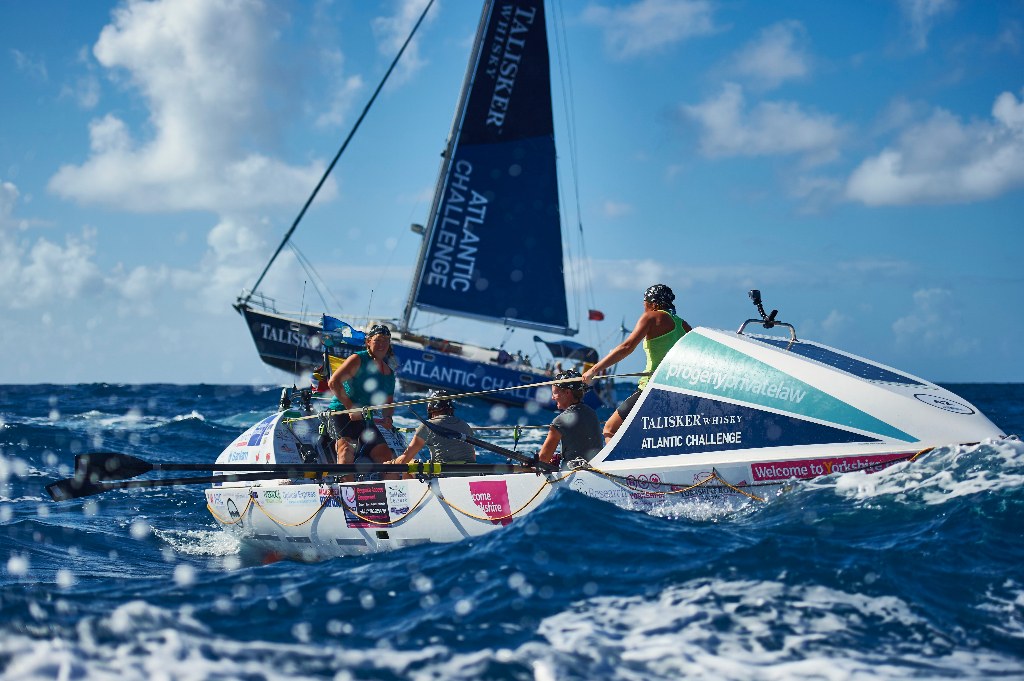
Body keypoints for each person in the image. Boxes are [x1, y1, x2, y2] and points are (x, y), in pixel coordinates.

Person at [582, 284, 691, 444]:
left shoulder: (651, 317)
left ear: (653, 304)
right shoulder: (684, 326)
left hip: (651, 387)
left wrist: (594, 370)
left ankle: (616, 468)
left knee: (610, 429)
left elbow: (626, 347)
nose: (644, 306)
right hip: (675, 390)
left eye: (645, 303)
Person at [324, 324, 397, 467]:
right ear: (368, 342)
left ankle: (393, 489)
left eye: (385, 340)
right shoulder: (357, 359)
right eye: (378, 340)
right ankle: (345, 488)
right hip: (341, 412)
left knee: (385, 455)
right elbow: (334, 383)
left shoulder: (389, 373)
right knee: (346, 451)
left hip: (364, 418)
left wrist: (388, 417)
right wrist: (350, 407)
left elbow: (388, 404)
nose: (382, 344)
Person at [392, 390, 476, 467]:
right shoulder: (465, 425)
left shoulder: (428, 426)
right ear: (450, 410)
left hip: (442, 477)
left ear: (428, 409)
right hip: (469, 476)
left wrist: (390, 463)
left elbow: (404, 460)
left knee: (410, 463)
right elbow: (473, 457)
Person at [538, 370, 603, 464]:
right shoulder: (592, 413)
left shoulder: (560, 421)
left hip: (571, 475)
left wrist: (527, 467)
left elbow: (542, 460)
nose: (552, 397)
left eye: (555, 393)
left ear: (568, 392)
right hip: (595, 472)